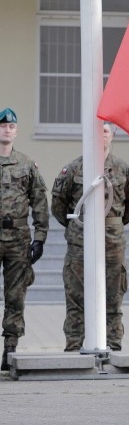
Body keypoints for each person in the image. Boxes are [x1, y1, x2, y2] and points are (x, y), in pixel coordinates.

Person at [52, 122, 129, 352]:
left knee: (113, 298)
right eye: (97, 131)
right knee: (76, 298)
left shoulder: (123, 169)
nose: (101, 136)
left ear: (112, 135)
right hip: (80, 241)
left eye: (105, 131)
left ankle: (112, 347)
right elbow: (58, 205)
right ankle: (73, 348)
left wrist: (115, 223)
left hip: (112, 242)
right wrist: (76, 226)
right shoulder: (73, 169)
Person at [0, 108, 49, 370]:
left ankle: (9, 349)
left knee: (15, 295)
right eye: (2, 126)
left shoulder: (27, 164)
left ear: (16, 131)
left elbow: (40, 201)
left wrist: (40, 237)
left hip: (18, 238)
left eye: (11, 126)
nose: (6, 130)